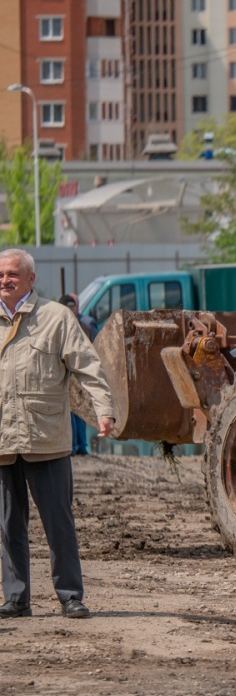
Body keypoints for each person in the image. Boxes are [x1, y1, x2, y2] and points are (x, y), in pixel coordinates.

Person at [0, 249, 116, 619]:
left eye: (13, 274)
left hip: (45, 439)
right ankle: (16, 599)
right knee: (7, 526)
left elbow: (88, 367)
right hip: (2, 441)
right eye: (0, 274)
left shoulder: (55, 318)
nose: (5, 279)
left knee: (58, 524)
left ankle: (70, 595)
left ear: (31, 280)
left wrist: (104, 409)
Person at [58, 293, 98, 455]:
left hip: (72, 371)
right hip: (80, 371)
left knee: (72, 409)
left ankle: (74, 446)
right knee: (78, 410)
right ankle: (81, 445)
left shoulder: (63, 324)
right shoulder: (85, 324)